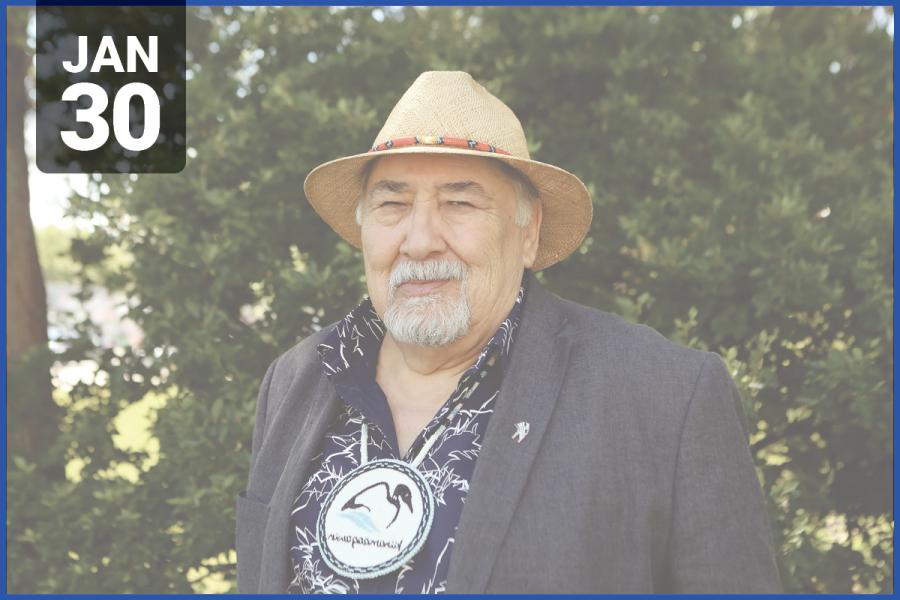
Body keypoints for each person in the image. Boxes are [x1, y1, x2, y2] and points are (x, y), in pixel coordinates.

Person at [235, 71, 782, 594]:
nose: (420, 239)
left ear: (528, 231)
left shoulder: (664, 396)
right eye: (393, 204)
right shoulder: (297, 379)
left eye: (459, 202)